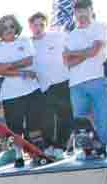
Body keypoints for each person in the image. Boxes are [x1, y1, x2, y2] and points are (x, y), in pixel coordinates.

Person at [0, 14, 46, 165]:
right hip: (10, 94)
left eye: (11, 26)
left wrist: (8, 65)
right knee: (15, 128)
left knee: (34, 124)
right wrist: (21, 72)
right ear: (0, 30)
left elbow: (29, 60)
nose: (8, 30)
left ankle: (37, 152)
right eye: (5, 27)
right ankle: (18, 155)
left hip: (31, 90)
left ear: (16, 28)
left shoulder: (24, 40)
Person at [64, 0, 107, 147]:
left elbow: (95, 50)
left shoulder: (100, 27)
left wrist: (74, 53)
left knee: (102, 119)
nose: (81, 14)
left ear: (91, 10)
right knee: (80, 121)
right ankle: (86, 150)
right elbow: (67, 62)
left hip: (97, 79)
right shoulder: (70, 35)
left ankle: (102, 148)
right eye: (78, 11)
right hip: (76, 84)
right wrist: (86, 53)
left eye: (84, 10)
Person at [29, 12, 74, 153]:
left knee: (66, 116)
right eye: (35, 25)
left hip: (62, 81)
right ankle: (48, 147)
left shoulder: (58, 36)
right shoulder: (26, 43)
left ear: (46, 25)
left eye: (41, 25)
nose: (38, 28)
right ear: (30, 26)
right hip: (42, 86)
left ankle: (61, 147)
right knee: (46, 120)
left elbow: (73, 44)